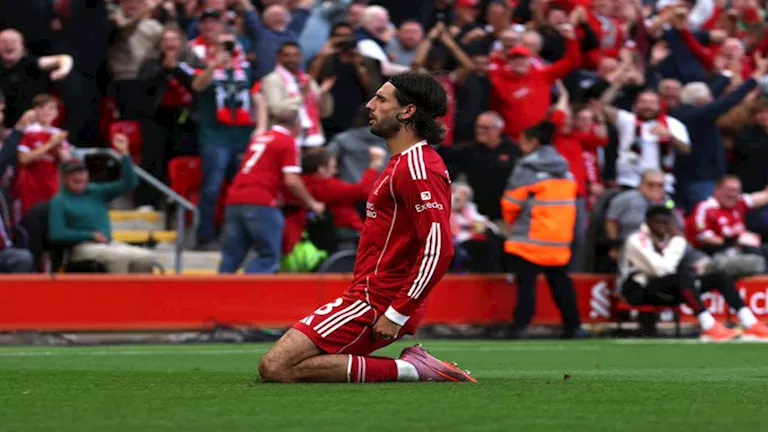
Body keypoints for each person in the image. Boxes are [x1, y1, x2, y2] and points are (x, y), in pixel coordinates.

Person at [258, 72, 475, 384]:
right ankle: (412, 367)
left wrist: (397, 312)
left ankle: (414, 369)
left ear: (407, 111)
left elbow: (438, 248)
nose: (370, 105)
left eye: (381, 99)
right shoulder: (403, 163)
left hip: (379, 300)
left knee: (276, 366)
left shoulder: (418, 169)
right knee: (282, 367)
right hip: (369, 295)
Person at [620, 205, 768, 341]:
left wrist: (679, 244)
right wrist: (676, 243)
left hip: (669, 287)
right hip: (638, 288)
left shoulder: (674, 240)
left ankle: (750, 322)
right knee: (682, 276)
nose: (662, 226)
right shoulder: (637, 240)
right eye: (658, 222)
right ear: (648, 222)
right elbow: (660, 269)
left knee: (719, 277)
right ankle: (709, 326)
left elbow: (684, 264)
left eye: (666, 222)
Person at [499, 121, 582, 338]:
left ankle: (520, 327)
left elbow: (511, 204)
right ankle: (574, 326)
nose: (520, 146)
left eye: (523, 141)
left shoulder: (526, 168)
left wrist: (511, 226)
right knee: (561, 285)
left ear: (534, 142)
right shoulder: (564, 168)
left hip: (529, 238)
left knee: (526, 285)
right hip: (558, 240)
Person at [219, 109, 324, 274]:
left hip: (234, 200)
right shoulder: (287, 141)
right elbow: (291, 180)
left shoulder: (259, 138)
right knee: (268, 257)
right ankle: (250, 290)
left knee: (231, 258)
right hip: (262, 201)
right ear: (296, 125)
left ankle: (220, 290)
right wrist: (312, 203)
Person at [47, 134, 153, 273]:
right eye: (72, 173)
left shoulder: (96, 192)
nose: (78, 176)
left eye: (82, 172)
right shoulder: (59, 201)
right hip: (80, 247)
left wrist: (124, 155)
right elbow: (56, 234)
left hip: (108, 244)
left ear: (87, 175)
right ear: (64, 178)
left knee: (145, 257)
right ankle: (116, 288)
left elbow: (130, 183)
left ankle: (138, 288)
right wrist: (90, 235)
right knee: (117, 257)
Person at [15, 94, 71, 218]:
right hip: (30, 188)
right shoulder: (27, 132)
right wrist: (51, 144)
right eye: (42, 108)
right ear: (35, 110)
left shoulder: (58, 134)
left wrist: (59, 148)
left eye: (52, 108)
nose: (47, 112)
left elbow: (67, 162)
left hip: (52, 187)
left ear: (57, 113)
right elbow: (23, 159)